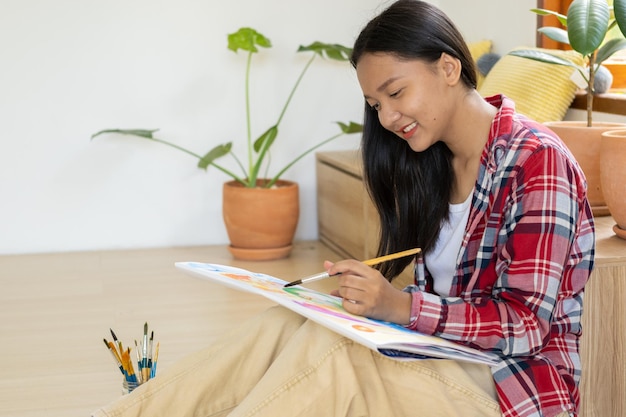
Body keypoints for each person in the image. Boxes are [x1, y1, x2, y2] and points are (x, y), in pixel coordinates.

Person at [92, 1, 595, 417]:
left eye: (396, 92)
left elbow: (526, 325)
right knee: (287, 326)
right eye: (375, 104)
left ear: (448, 67)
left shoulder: (537, 160)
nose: (388, 117)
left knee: (333, 358)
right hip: (449, 361)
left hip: (512, 389)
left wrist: (398, 308)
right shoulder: (434, 161)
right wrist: (363, 306)